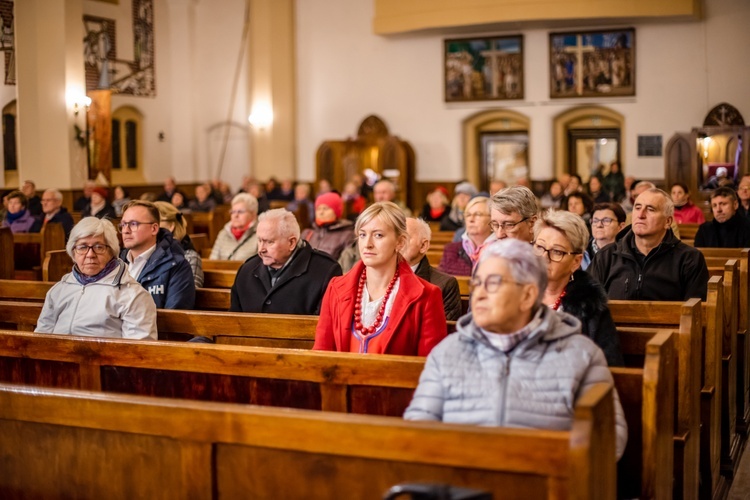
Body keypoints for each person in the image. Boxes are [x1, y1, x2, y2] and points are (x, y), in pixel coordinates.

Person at [403, 238, 627, 460]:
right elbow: (418, 427)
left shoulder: (581, 355)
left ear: (528, 295)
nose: (478, 294)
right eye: (477, 283)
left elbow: (609, 438)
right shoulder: (448, 352)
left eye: (492, 284)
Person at [314, 202, 447, 355]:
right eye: (363, 235)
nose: (367, 244)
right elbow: (321, 354)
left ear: (400, 242)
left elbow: (430, 367)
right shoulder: (336, 288)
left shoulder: (427, 296)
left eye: (378, 235)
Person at [35, 217, 156, 339]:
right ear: (73, 252)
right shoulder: (60, 289)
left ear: (112, 251)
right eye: (82, 247)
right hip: (56, 356)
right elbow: (41, 336)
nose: (90, 255)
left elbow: (138, 351)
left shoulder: (133, 295)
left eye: (99, 247)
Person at [533, 210, 624, 366]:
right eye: (540, 247)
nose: (544, 257)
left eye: (556, 251)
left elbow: (609, 365)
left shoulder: (589, 304)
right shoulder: (515, 294)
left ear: (576, 261)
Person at [589, 188, 709, 301]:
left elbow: (695, 313)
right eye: (637, 207)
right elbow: (588, 304)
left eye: (650, 209)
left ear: (667, 222)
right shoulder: (606, 256)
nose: (641, 215)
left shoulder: (689, 259)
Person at [230, 209, 342, 314]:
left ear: (291, 243)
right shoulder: (247, 270)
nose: (261, 250)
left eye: (269, 242)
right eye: (259, 241)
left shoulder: (325, 271)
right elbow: (233, 322)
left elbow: (326, 328)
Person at [119, 200, 196, 309]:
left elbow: (175, 319)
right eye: (123, 225)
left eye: (133, 224)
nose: (125, 231)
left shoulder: (177, 266)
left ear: (154, 228)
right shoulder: (116, 263)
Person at [402, 217, 461, 321]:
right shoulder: (378, 277)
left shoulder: (445, 285)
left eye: (405, 238)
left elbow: (442, 332)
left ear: (423, 245)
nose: (397, 244)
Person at [438, 196, 496, 276]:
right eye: (468, 215)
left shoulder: (502, 250)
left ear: (492, 219)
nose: (471, 219)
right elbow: (441, 284)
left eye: (478, 214)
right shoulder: (451, 249)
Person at [154, 201, 204, 288]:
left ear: (171, 226)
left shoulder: (189, 257)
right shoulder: (148, 254)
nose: (152, 228)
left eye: (157, 222)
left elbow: (190, 294)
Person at [301, 192, 356, 260]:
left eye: (325, 209)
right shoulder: (308, 233)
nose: (321, 212)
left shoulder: (348, 235)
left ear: (336, 212)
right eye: (318, 209)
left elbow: (346, 264)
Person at [209, 193, 259, 261]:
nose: (236, 215)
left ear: (253, 214)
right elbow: (213, 261)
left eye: (240, 212)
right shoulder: (223, 233)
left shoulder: (260, 234)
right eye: (233, 212)